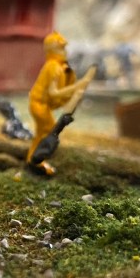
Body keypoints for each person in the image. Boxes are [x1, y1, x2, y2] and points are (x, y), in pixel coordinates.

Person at [27, 31, 96, 176]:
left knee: (41, 133)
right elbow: (53, 93)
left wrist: (74, 91)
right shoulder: (52, 66)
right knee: (48, 131)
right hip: (39, 104)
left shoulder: (60, 66)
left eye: (64, 48)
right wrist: (77, 86)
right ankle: (37, 162)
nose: (64, 51)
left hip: (44, 104)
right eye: (61, 48)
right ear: (52, 50)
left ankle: (32, 160)